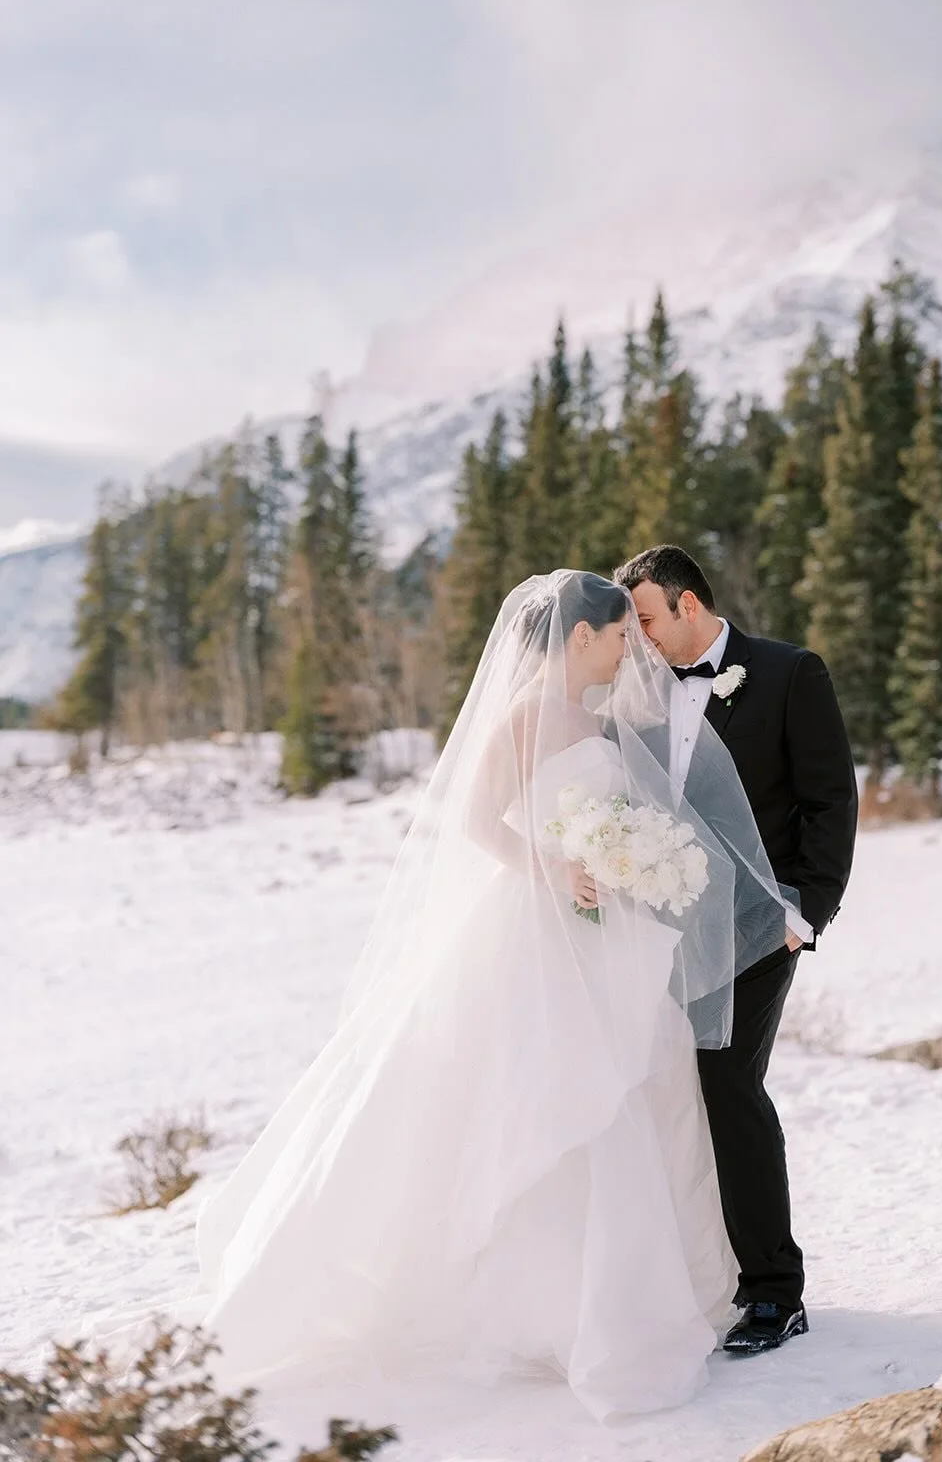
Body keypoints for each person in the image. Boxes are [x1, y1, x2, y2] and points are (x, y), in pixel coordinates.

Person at [194, 570, 801, 1420]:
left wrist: (629, 863)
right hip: (533, 928)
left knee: (639, 1085)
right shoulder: (524, 716)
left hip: (604, 936)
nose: (632, 647)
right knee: (552, 1099)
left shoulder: (598, 719)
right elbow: (476, 821)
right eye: (620, 634)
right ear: (580, 636)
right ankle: (543, 1310)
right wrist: (554, 867)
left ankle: (647, 1295)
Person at [614, 544, 857, 1355]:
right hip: (658, 929)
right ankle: (684, 1280)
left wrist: (806, 908)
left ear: (687, 605)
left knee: (727, 1082)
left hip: (758, 926)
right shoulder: (637, 696)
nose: (639, 638)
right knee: (657, 1089)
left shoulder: (790, 673)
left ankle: (772, 1292)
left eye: (645, 619)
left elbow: (830, 799)